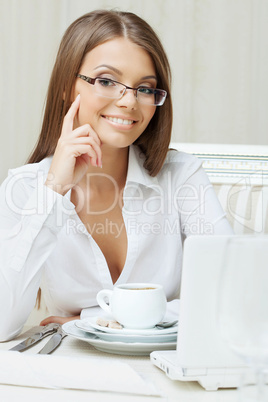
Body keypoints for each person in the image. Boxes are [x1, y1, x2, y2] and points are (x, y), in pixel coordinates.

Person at [0, 9, 233, 341]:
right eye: (107, 81)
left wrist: (91, 319)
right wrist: (54, 189)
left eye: (145, 88)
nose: (129, 101)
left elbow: (232, 296)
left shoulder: (182, 177)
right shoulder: (25, 189)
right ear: (68, 85)